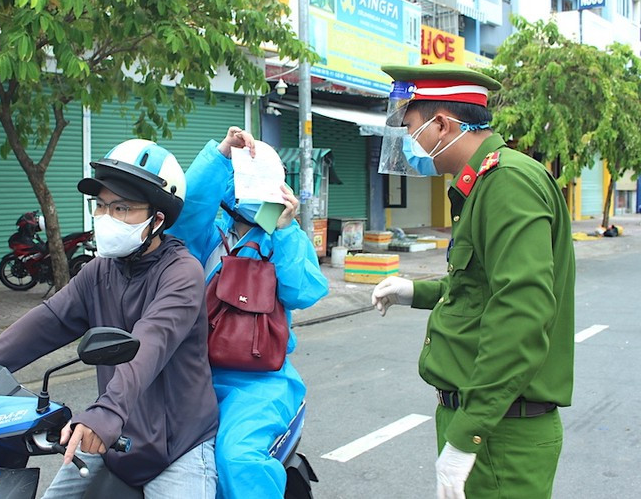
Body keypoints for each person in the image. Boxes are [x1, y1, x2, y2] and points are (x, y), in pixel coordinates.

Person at [0, 139, 219, 498]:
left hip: (177, 447)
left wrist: (105, 412)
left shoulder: (181, 273)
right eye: (101, 206)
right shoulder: (99, 272)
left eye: (123, 208)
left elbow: (149, 343)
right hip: (114, 439)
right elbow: (46, 321)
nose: (106, 217)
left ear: (156, 219)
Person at [371, 63, 575, 499]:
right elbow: (481, 285)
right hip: (486, 419)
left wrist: (468, 437)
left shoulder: (508, 183)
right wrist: (414, 292)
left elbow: (522, 313)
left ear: (442, 124)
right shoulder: (481, 185)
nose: (410, 143)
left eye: (412, 129)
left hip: (499, 430)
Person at [168, 127, 328, 499]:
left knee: (236, 459)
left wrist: (286, 230)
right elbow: (187, 212)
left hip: (259, 384)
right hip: (188, 376)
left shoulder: (281, 236)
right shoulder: (206, 235)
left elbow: (305, 291)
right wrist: (221, 153)